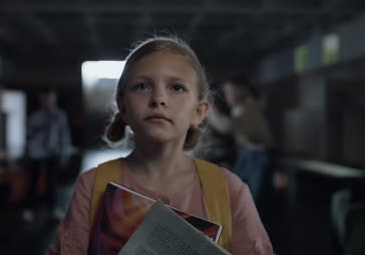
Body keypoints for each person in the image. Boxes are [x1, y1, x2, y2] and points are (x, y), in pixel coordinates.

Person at [46, 36, 273, 254]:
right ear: (122, 107)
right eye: (142, 86)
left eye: (176, 88)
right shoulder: (92, 185)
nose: (158, 99)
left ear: (199, 112)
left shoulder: (230, 190)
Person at [209, 75, 274, 204]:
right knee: (236, 191)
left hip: (258, 156)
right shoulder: (238, 109)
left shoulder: (248, 108)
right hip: (248, 154)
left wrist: (208, 108)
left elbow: (226, 127)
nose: (226, 97)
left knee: (253, 201)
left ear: (241, 90)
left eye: (229, 92)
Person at [25, 89, 72, 219]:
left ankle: (52, 209)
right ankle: (29, 208)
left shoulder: (60, 115)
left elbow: (64, 135)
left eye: (49, 98)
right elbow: (29, 135)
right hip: (37, 152)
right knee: (33, 181)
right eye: (44, 98)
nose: (47, 101)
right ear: (41, 99)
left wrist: (64, 154)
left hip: (53, 152)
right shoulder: (35, 115)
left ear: (54, 98)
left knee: (52, 182)